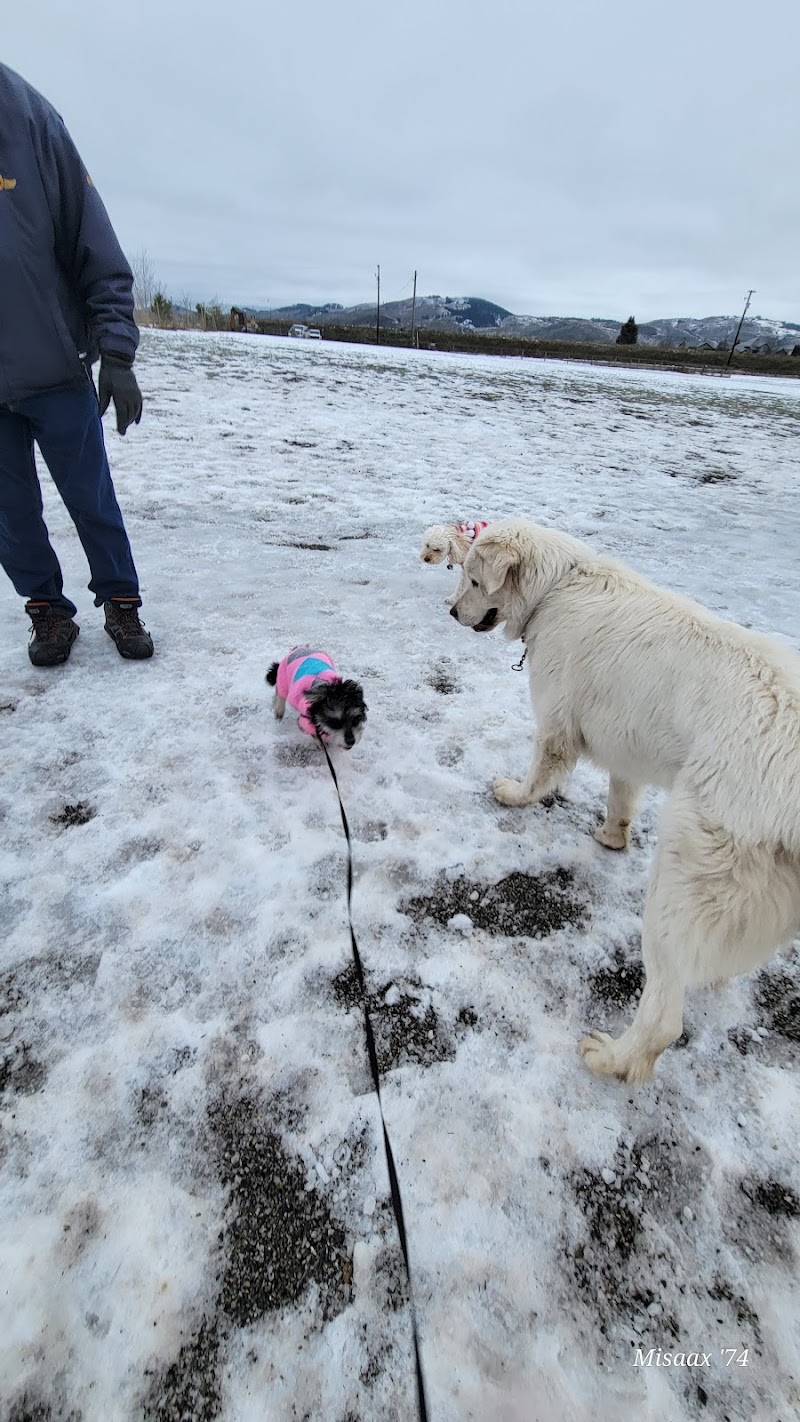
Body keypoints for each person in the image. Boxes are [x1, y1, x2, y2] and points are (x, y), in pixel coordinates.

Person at [0, 62, 153, 665]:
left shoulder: (28, 117)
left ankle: (121, 601)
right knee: (10, 513)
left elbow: (95, 240)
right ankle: (47, 612)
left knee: (91, 497)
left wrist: (116, 352)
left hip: (54, 367)